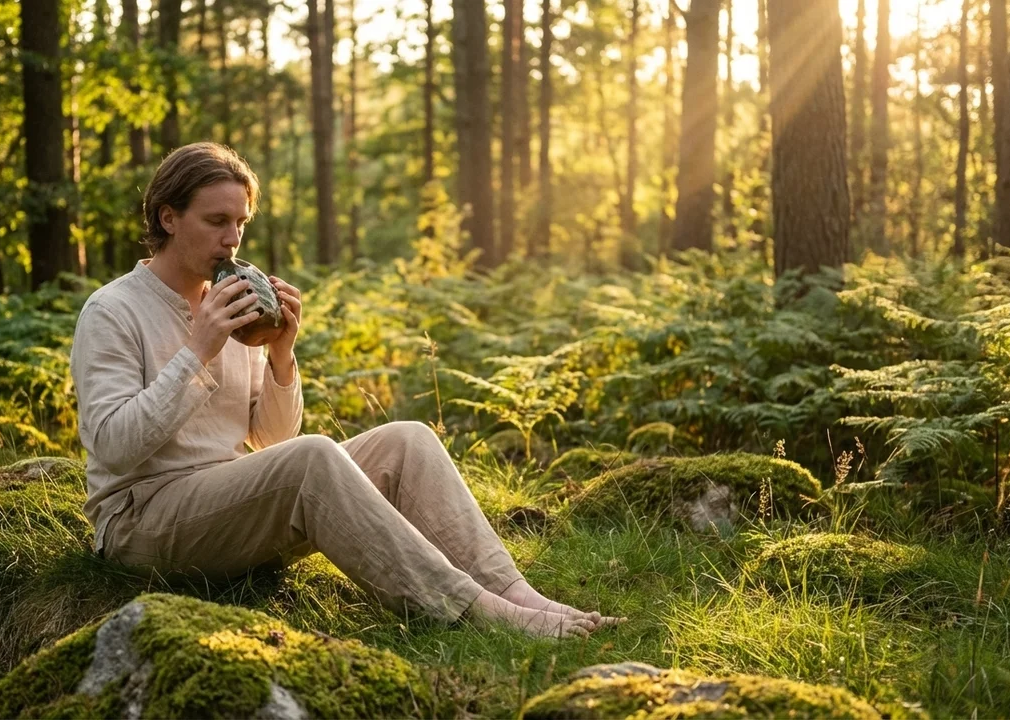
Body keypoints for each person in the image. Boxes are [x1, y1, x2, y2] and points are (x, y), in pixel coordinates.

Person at [70, 142, 618, 638]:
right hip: (142, 520)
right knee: (313, 458)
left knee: (408, 440)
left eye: (240, 222)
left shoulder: (235, 304)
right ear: (168, 217)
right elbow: (114, 449)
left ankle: (517, 594)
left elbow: (271, 438)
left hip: (225, 499)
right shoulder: (113, 310)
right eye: (216, 221)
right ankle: (476, 611)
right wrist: (198, 351)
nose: (232, 238)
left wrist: (281, 355)